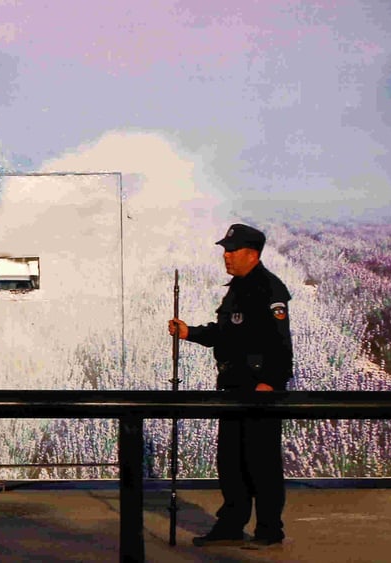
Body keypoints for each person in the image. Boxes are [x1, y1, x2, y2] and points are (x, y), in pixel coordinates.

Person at [167, 223, 292, 550]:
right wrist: (189, 332)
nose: (226, 256)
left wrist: (270, 384)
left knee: (261, 463)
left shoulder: (269, 290)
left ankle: (269, 530)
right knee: (232, 462)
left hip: (258, 390)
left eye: (231, 250)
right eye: (225, 250)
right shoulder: (238, 288)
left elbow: (281, 346)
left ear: (252, 254)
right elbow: (226, 333)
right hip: (234, 388)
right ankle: (231, 525)